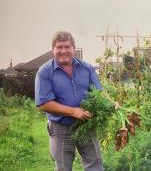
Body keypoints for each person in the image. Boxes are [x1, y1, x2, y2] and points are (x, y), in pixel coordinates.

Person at [35, 31, 104, 171]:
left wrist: (111, 103)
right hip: (60, 126)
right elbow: (43, 103)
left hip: (85, 123)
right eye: (59, 47)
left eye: (67, 46)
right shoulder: (45, 72)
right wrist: (73, 111)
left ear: (73, 48)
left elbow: (100, 93)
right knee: (63, 167)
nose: (63, 51)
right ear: (53, 49)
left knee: (95, 164)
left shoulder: (87, 68)